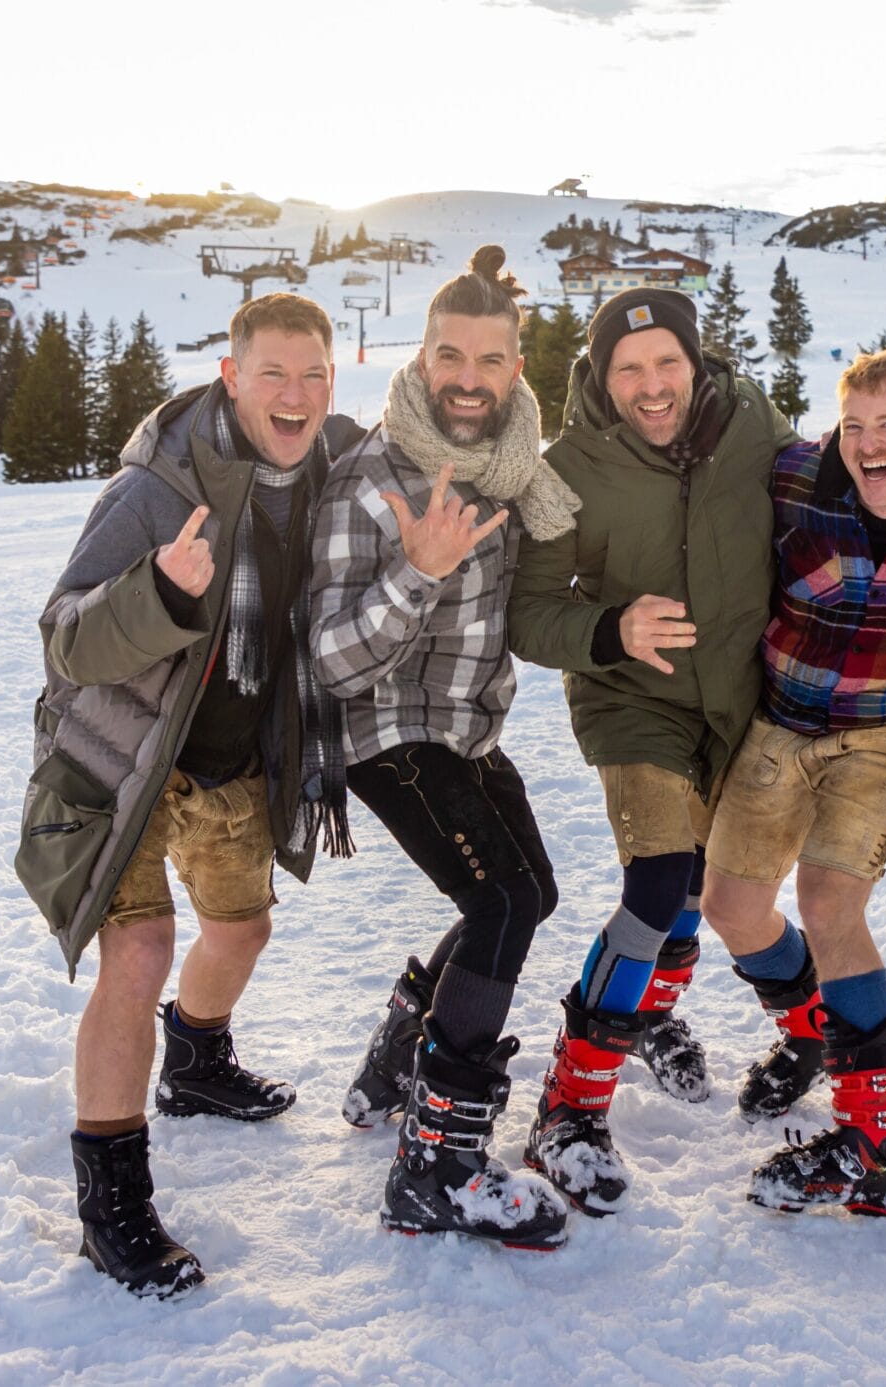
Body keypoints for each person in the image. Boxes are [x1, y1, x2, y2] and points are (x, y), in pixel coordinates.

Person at [17, 293, 359, 1298]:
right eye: (272, 375)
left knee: (242, 930)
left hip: (231, 758)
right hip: (125, 756)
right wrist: (160, 594)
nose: (293, 396)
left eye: (313, 375)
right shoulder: (159, 485)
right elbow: (67, 635)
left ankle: (197, 1061)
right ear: (230, 376)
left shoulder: (332, 471)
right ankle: (111, 1201)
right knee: (138, 950)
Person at [507, 286, 800, 1214]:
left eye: (666, 362)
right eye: (627, 368)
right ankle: (569, 1108)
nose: (651, 384)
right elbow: (529, 610)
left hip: (741, 698)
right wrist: (610, 628)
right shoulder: (565, 467)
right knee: (658, 874)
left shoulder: (753, 422)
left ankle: (798, 1029)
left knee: (708, 886)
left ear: (696, 360)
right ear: (599, 375)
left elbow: (822, 504)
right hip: (633, 698)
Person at [310, 246, 573, 1249]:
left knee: (529, 893)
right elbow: (331, 662)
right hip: (384, 728)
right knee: (500, 898)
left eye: (490, 359)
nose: (468, 378)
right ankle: (439, 1161)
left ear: (515, 369)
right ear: (420, 360)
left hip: (465, 727)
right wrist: (415, 572)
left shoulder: (516, 469)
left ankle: (402, 1056)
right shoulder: (372, 480)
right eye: (449, 356)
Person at [699, 350, 886, 1217]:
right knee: (731, 905)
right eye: (853, 426)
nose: (868, 445)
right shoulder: (797, 477)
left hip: (885, 735)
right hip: (781, 721)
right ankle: (812, 1033)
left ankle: (877, 1140)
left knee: (831, 906)